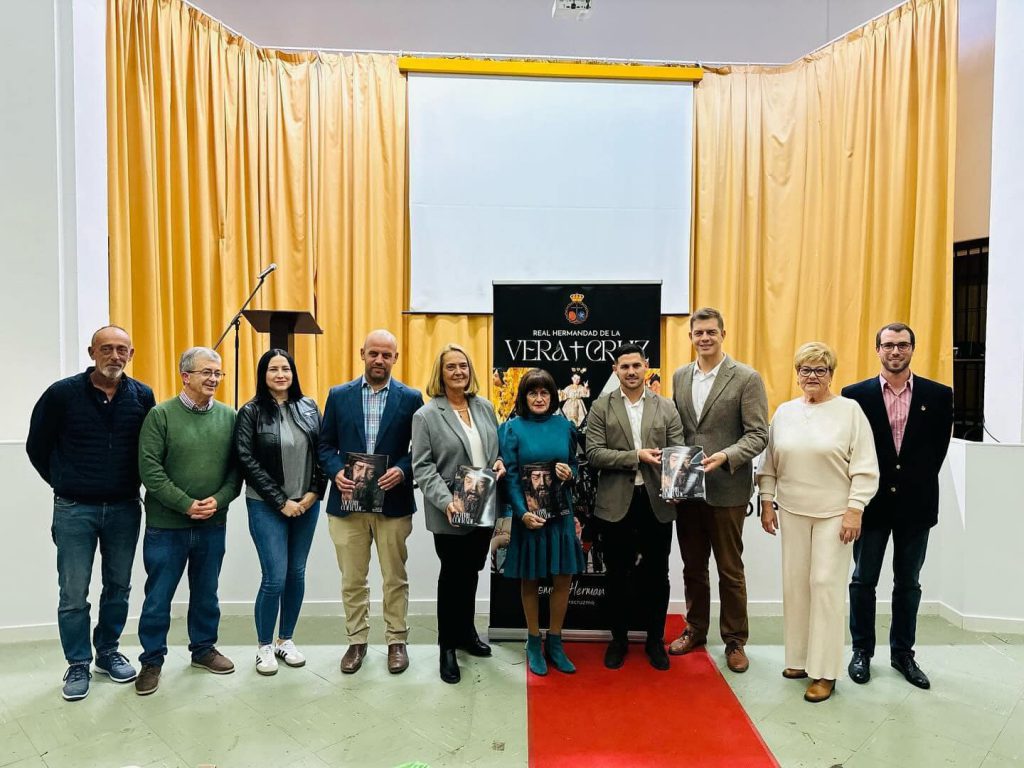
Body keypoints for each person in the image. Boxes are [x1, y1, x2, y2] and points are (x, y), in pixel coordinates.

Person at [26, 326, 156, 701]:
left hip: (124, 508)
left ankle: (108, 652)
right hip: (74, 509)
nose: (114, 356)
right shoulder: (61, 394)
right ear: (91, 352)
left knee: (118, 586)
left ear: (131, 354)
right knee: (73, 592)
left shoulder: (142, 395)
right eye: (107, 349)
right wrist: (65, 481)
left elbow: (150, 448)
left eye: (122, 350)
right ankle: (78, 662)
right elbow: (37, 447)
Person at [757, 342, 879, 703]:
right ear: (797, 374)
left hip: (835, 514)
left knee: (825, 586)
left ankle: (825, 672)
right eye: (805, 370)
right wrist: (767, 501)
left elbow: (865, 466)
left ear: (831, 374)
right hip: (793, 511)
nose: (812, 376)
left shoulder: (850, 411)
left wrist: (855, 508)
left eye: (820, 370)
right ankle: (798, 660)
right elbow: (769, 464)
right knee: (796, 586)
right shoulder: (784, 412)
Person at [843, 323, 953, 690]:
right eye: (888, 345)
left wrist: (910, 483)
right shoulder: (854, 395)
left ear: (912, 349)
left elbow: (936, 451)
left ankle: (903, 654)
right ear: (877, 349)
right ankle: (861, 651)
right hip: (871, 504)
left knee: (908, 584)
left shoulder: (939, 395)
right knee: (863, 581)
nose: (895, 351)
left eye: (902, 345)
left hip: (916, 506)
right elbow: (853, 450)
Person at [135, 347, 242, 696]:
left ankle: (203, 650)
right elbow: (150, 470)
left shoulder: (229, 417)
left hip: (212, 523)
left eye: (218, 373)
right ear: (185, 376)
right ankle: (152, 661)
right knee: (158, 597)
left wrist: (219, 500)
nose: (213, 379)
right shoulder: (160, 416)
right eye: (206, 372)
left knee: (207, 593)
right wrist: (185, 504)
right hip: (167, 526)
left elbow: (236, 471)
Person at [669, 307, 768, 674]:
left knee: (730, 569)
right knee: (693, 567)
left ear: (723, 334)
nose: (705, 338)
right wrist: (673, 476)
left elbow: (758, 434)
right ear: (691, 337)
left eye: (711, 332)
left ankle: (735, 640)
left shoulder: (746, 378)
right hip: (687, 490)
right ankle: (695, 629)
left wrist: (726, 456)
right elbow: (678, 431)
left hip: (727, 489)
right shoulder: (680, 376)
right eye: (699, 333)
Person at [318, 329, 423, 675]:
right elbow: (324, 445)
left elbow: (421, 450)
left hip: (393, 505)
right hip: (347, 504)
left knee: (395, 577)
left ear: (396, 358)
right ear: (362, 353)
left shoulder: (411, 398)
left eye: (386, 355)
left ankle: (396, 641)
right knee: (352, 578)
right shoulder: (338, 395)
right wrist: (336, 472)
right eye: (374, 353)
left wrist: (402, 470)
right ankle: (356, 641)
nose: (379, 360)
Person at [586, 344, 685, 671]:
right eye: (624, 366)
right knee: (617, 574)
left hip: (656, 503)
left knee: (658, 574)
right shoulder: (601, 407)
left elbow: (678, 452)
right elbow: (594, 454)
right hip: (616, 504)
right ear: (615, 370)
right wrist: (635, 456)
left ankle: (655, 640)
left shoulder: (666, 406)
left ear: (646, 367)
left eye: (636, 366)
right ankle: (619, 640)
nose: (631, 372)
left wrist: (678, 484)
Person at [411, 344, 505, 684]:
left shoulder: (485, 407)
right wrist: (446, 501)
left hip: (484, 505)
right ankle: (447, 647)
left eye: (463, 366)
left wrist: (499, 462)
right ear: (441, 372)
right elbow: (422, 467)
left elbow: (495, 450)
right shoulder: (426, 415)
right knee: (452, 576)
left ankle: (466, 633)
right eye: (451, 366)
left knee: (472, 571)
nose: (458, 372)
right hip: (451, 510)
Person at [234, 349, 328, 676]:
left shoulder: (309, 407)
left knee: (296, 573)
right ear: (263, 374)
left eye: (285, 368)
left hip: (306, 504)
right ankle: (263, 646)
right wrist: (280, 501)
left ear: (293, 373)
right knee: (274, 576)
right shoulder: (250, 411)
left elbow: (323, 452)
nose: (280, 374)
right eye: (273, 369)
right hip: (266, 505)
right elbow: (245, 459)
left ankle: (285, 640)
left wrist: (315, 492)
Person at [500, 368, 585, 676]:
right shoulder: (512, 429)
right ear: (524, 397)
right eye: (532, 393)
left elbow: (575, 464)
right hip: (529, 518)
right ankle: (534, 641)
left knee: (563, 578)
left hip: (561, 515)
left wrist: (570, 473)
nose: (539, 398)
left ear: (552, 396)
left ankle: (556, 642)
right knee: (531, 580)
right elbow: (510, 476)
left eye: (544, 393)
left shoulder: (565, 427)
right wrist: (521, 512)